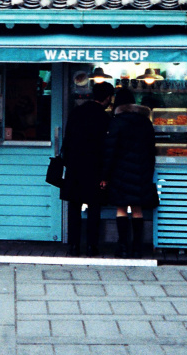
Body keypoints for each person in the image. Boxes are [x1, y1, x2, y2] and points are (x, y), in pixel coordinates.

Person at [101, 87, 157, 258]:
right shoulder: (146, 122)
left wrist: (104, 176)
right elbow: (151, 150)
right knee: (138, 209)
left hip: (120, 172)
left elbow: (109, 151)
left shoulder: (116, 122)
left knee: (121, 209)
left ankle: (123, 246)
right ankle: (137, 248)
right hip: (141, 171)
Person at [60, 80, 114, 256]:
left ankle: (74, 246)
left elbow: (67, 140)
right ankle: (92, 246)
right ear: (107, 98)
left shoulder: (76, 113)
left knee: (74, 207)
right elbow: (106, 147)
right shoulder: (105, 118)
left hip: (75, 166)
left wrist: (67, 162)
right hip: (94, 167)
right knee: (94, 208)